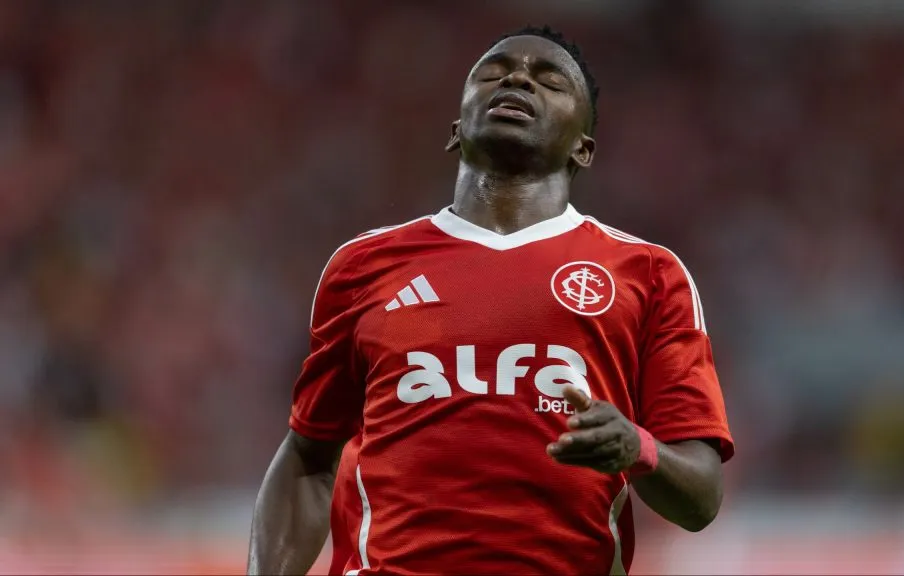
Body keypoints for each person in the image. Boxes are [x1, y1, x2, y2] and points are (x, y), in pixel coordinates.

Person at [247, 25, 734, 576]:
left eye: (549, 81)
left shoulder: (648, 274)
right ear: (457, 128)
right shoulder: (362, 266)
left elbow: (701, 499)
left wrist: (637, 448)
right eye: (494, 73)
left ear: (584, 147)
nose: (518, 78)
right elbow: (309, 456)